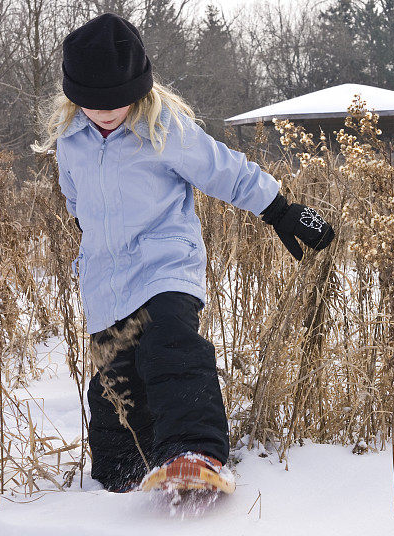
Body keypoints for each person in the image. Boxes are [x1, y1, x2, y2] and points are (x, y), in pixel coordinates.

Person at [31, 12, 335, 493]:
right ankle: (131, 472)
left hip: (164, 264)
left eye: (118, 100)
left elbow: (223, 169)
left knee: (169, 346)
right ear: (75, 97)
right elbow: (75, 199)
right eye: (94, 102)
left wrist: (280, 209)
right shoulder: (71, 142)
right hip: (107, 280)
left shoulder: (162, 128)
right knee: (115, 385)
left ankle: (195, 451)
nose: (107, 111)